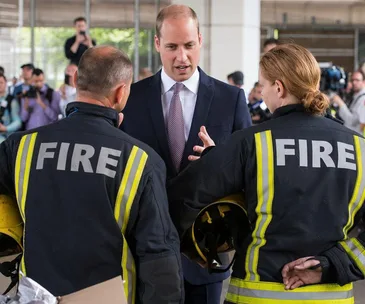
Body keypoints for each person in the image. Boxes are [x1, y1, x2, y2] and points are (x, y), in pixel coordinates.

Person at [167, 44, 365, 304]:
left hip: (255, 297)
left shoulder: (251, 145)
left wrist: (204, 251)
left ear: (279, 88)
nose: (262, 94)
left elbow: (177, 199)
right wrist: (331, 264)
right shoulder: (359, 147)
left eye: (263, 86)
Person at [0, 45, 183, 303]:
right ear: (121, 92)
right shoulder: (141, 160)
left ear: (75, 80)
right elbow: (159, 259)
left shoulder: (20, 147)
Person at [120, 4, 251, 304]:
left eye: (189, 45)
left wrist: (219, 160)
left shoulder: (230, 99)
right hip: (144, 254)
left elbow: (248, 175)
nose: (182, 57)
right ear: (157, 44)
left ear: (201, 41)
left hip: (205, 255)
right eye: (172, 47)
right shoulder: (131, 98)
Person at [331, 70, 365, 134]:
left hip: (356, 138)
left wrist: (340, 103)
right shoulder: (356, 95)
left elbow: (352, 121)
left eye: (357, 80)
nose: (354, 83)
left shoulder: (363, 99)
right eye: (352, 80)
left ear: (364, 82)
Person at [0, 74, 22, 143]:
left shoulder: (11, 100)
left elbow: (18, 122)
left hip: (5, 139)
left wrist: (5, 128)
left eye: (1, 82)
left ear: (5, 83)